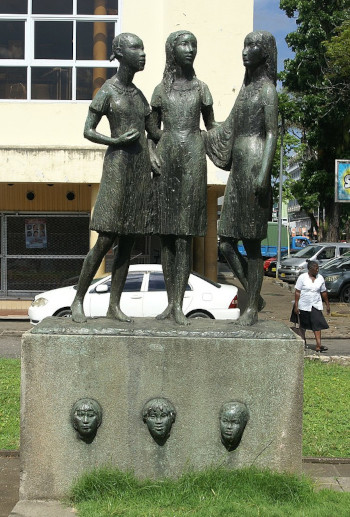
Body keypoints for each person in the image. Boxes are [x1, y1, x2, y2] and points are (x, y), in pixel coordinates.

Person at [71, 33, 155, 323]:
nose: (142, 53)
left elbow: (154, 133)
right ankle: (78, 300)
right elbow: (88, 130)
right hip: (118, 167)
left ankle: (114, 306)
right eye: (136, 47)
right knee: (105, 239)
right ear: (120, 53)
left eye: (142, 47)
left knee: (129, 242)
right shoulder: (108, 90)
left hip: (139, 171)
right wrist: (115, 140)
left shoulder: (139, 95)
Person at [205, 31, 278, 326]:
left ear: (265, 53)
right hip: (239, 170)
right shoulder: (245, 90)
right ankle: (254, 292)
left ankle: (252, 308)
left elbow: (273, 133)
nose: (246, 51)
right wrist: (204, 129)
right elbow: (226, 128)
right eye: (245, 45)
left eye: (253, 46)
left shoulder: (267, 91)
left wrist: (263, 173)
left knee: (252, 245)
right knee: (225, 243)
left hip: (255, 166)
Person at [148, 30, 217, 325]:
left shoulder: (202, 89)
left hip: (192, 160)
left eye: (194, 44)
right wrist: (152, 149)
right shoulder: (160, 91)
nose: (190, 49)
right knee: (166, 235)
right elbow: (151, 129)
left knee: (184, 237)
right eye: (184, 44)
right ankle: (169, 303)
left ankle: (179, 304)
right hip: (167, 160)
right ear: (172, 50)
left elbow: (213, 127)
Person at [292, 260, 330, 352]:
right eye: (316, 268)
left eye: (318, 268)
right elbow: (297, 291)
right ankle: (303, 343)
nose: (317, 270)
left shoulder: (320, 278)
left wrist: (327, 304)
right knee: (302, 325)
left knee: (317, 324)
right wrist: (296, 305)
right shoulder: (302, 277)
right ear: (310, 269)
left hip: (315, 304)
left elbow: (323, 292)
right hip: (303, 304)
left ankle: (318, 345)